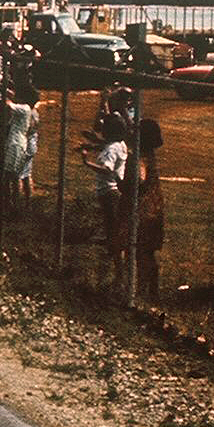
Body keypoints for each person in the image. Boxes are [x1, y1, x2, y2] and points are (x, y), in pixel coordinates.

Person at [82, 112, 129, 284]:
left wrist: (87, 162)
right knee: (115, 231)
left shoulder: (111, 149)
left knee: (113, 233)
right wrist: (94, 141)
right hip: (115, 192)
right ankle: (120, 269)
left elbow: (107, 169)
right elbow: (107, 145)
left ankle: (119, 274)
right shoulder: (120, 145)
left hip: (109, 192)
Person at [133, 118, 166, 302]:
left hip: (145, 206)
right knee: (148, 250)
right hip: (155, 204)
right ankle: (152, 289)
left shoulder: (142, 157)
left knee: (141, 249)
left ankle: (142, 288)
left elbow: (141, 179)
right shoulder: (149, 153)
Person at [0, 85, 40, 216]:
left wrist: (2, 90)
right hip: (18, 143)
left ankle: (13, 206)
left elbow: (8, 104)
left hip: (16, 144)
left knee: (12, 176)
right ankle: (14, 205)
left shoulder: (24, 108)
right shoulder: (29, 110)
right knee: (15, 175)